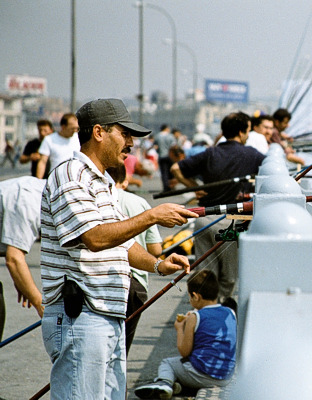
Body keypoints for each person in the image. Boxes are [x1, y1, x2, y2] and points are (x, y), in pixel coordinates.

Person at [40, 98, 198, 399]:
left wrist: (157, 264)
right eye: (124, 135)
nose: (131, 144)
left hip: (108, 316)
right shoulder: (70, 175)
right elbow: (95, 237)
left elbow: (121, 242)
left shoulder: (103, 183)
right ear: (98, 132)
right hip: (81, 318)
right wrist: (152, 215)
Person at [171, 112, 265, 299]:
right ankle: (219, 313)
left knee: (204, 275)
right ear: (241, 131)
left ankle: (203, 311)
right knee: (228, 277)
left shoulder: (210, 152)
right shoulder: (252, 155)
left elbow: (175, 169)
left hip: (203, 222)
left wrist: (195, 187)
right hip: (230, 224)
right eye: (247, 130)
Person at [134, 270, 236, 398]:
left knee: (169, 363)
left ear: (196, 296)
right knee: (187, 369)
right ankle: (178, 387)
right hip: (226, 376)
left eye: (189, 297)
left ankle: (164, 383)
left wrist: (180, 328)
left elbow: (184, 351)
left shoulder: (195, 316)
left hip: (203, 374)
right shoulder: (230, 313)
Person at [107, 164, 162, 355]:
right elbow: (156, 249)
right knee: (121, 351)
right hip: (134, 284)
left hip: (101, 280)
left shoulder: (96, 199)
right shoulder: (139, 203)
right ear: (125, 181)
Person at [0, 176, 46, 340]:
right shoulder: (30, 200)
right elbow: (14, 259)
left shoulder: (38, 190)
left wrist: (21, 281)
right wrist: (41, 305)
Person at [35, 113, 80, 179]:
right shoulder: (49, 139)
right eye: (72, 128)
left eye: (77, 128)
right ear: (63, 127)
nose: (75, 131)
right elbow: (42, 162)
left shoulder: (79, 138)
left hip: (75, 178)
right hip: (56, 179)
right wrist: (38, 180)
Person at [154, 124, 176, 192]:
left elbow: (155, 147)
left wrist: (159, 152)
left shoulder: (157, 136)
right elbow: (174, 146)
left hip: (161, 156)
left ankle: (166, 187)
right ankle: (172, 185)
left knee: (164, 172)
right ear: (166, 129)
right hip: (170, 156)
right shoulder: (170, 136)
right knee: (171, 172)